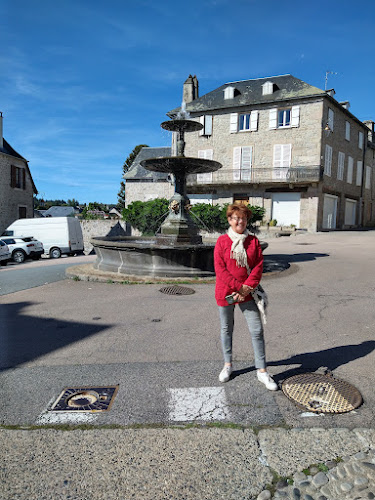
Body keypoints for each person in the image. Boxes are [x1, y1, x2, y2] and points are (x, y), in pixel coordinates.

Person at [214, 203, 277, 391]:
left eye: (242, 218)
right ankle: (228, 365)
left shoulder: (254, 242)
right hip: (226, 292)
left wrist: (246, 289)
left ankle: (262, 371)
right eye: (235, 218)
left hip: (248, 293)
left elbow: (258, 267)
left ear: (246, 220)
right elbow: (220, 269)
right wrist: (237, 288)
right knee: (226, 329)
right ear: (229, 220)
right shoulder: (222, 241)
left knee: (256, 330)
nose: (239, 221)